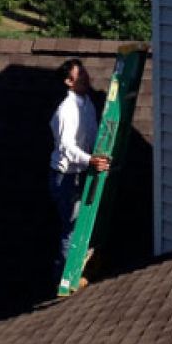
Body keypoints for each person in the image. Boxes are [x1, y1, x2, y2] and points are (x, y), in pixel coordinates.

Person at [48, 59, 109, 285]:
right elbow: (66, 147)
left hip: (82, 171)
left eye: (85, 73)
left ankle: (79, 270)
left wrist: (98, 156)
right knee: (71, 229)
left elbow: (91, 136)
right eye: (80, 75)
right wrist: (90, 160)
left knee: (83, 223)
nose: (86, 78)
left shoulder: (88, 103)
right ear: (68, 81)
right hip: (65, 177)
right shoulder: (66, 110)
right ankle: (64, 281)